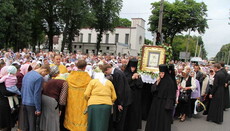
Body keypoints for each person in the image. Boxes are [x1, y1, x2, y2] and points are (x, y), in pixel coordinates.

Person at [18, 65, 50, 131]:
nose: (44, 76)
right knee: (32, 125)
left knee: (25, 124)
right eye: (45, 74)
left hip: (24, 101)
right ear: (44, 70)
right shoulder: (39, 78)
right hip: (32, 104)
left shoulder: (27, 74)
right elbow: (37, 94)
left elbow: (22, 89)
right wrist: (38, 108)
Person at [102, 64, 132, 131]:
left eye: (106, 73)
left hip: (124, 99)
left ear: (108, 69)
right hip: (122, 98)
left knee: (121, 119)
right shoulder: (116, 72)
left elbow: (120, 89)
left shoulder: (117, 74)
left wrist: (120, 103)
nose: (107, 74)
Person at [145, 64, 176, 131]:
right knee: (154, 118)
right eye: (160, 73)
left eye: (162, 73)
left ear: (165, 73)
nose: (161, 74)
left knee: (162, 120)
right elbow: (153, 90)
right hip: (156, 102)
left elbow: (171, 94)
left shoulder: (170, 82)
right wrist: (157, 82)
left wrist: (168, 105)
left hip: (164, 104)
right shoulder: (159, 80)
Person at [64, 60, 92, 131]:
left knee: (72, 114)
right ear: (85, 67)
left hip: (72, 100)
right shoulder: (88, 78)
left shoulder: (70, 76)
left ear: (76, 66)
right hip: (83, 101)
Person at [40, 66, 68, 131]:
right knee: (54, 119)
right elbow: (62, 98)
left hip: (44, 98)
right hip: (52, 100)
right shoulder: (64, 82)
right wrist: (61, 108)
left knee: (45, 117)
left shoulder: (50, 80)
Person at [124, 58, 143, 130]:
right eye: (132, 67)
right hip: (128, 96)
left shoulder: (137, 74)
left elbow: (140, 85)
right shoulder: (125, 73)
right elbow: (125, 83)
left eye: (134, 67)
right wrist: (132, 78)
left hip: (136, 97)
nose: (133, 69)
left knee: (134, 112)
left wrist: (137, 78)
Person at [0, 67, 16, 131]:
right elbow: (5, 92)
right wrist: (14, 93)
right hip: (4, 103)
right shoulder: (2, 81)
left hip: (4, 103)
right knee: (5, 123)